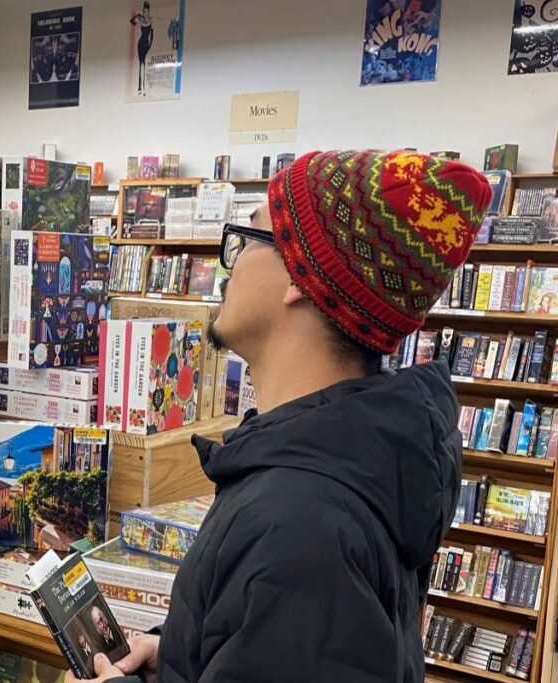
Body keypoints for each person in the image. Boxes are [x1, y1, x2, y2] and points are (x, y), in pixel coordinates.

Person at [65, 150, 492, 683]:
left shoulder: (301, 528)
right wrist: (176, 653)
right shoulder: (321, 470)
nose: (230, 264)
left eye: (249, 240)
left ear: (299, 279)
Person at [129, 1, 153, 94]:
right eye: (144, 11)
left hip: (146, 43)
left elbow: (152, 35)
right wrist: (137, 15)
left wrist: (149, 45)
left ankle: (144, 85)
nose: (145, 13)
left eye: (147, 11)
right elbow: (131, 21)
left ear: (149, 12)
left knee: (144, 63)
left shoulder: (151, 21)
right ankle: (140, 87)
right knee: (140, 64)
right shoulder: (141, 21)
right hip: (141, 43)